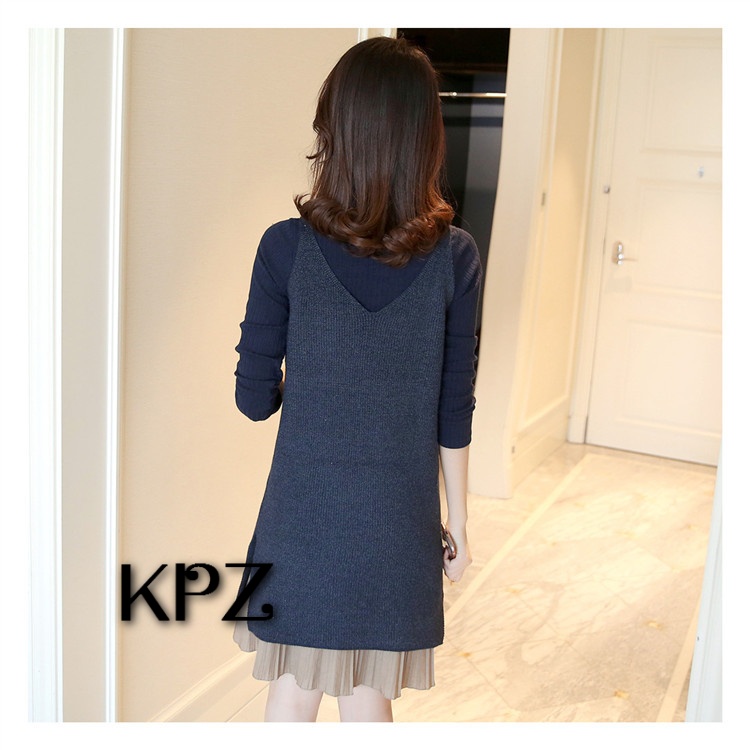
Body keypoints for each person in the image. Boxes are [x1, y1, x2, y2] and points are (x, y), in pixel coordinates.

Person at [232, 35, 480, 722]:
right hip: (398, 525)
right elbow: (453, 406)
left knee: (291, 696)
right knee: (371, 702)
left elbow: (252, 400)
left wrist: (314, 389)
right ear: (425, 139)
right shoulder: (456, 257)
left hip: (302, 521)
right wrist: (459, 523)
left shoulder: (283, 247)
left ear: (334, 128)